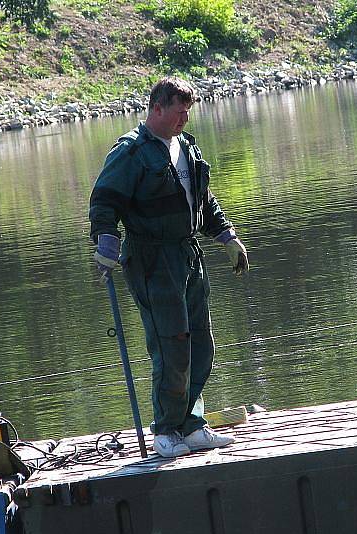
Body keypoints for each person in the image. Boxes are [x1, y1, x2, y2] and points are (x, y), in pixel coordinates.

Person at [89, 76, 249, 458]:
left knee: (200, 344)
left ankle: (192, 425)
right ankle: (165, 431)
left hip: (187, 255)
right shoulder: (130, 152)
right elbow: (104, 201)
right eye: (178, 112)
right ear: (156, 108)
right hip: (151, 260)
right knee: (171, 344)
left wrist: (227, 236)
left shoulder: (187, 149)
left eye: (188, 113)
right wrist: (106, 241)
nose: (184, 120)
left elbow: (203, 201)